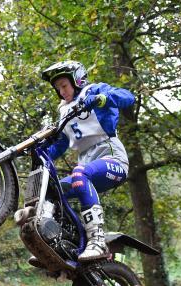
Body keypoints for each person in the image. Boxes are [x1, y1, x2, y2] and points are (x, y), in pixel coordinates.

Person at [40, 60, 135, 261]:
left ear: (77, 81)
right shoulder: (64, 111)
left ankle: (98, 241)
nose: (62, 92)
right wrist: (38, 153)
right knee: (51, 190)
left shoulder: (94, 91)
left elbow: (128, 97)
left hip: (113, 159)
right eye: (58, 89)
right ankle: (66, 244)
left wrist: (103, 98)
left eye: (64, 85)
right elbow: (60, 145)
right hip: (85, 168)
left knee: (79, 173)